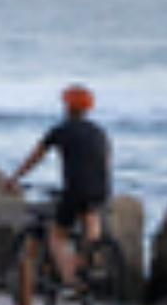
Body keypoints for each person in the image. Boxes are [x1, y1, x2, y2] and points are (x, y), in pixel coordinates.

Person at [8, 84, 110, 288]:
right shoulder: (99, 132)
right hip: (101, 188)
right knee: (90, 215)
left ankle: (71, 279)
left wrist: (15, 177)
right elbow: (105, 161)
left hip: (75, 190)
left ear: (67, 107)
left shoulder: (61, 131)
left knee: (57, 235)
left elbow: (35, 157)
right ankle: (93, 257)